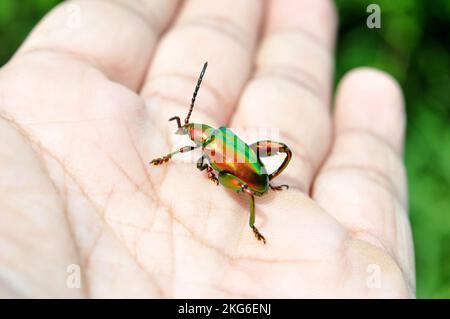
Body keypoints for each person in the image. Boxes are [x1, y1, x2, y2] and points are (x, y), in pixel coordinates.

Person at [0, 0, 414, 298]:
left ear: (199, 136)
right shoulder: (212, 140)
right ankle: (266, 186)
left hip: (248, 174)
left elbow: (204, 159)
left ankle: (255, 214)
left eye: (190, 132)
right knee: (243, 165)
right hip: (245, 162)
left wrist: (207, 168)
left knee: (234, 179)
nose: (188, 136)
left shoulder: (211, 149)